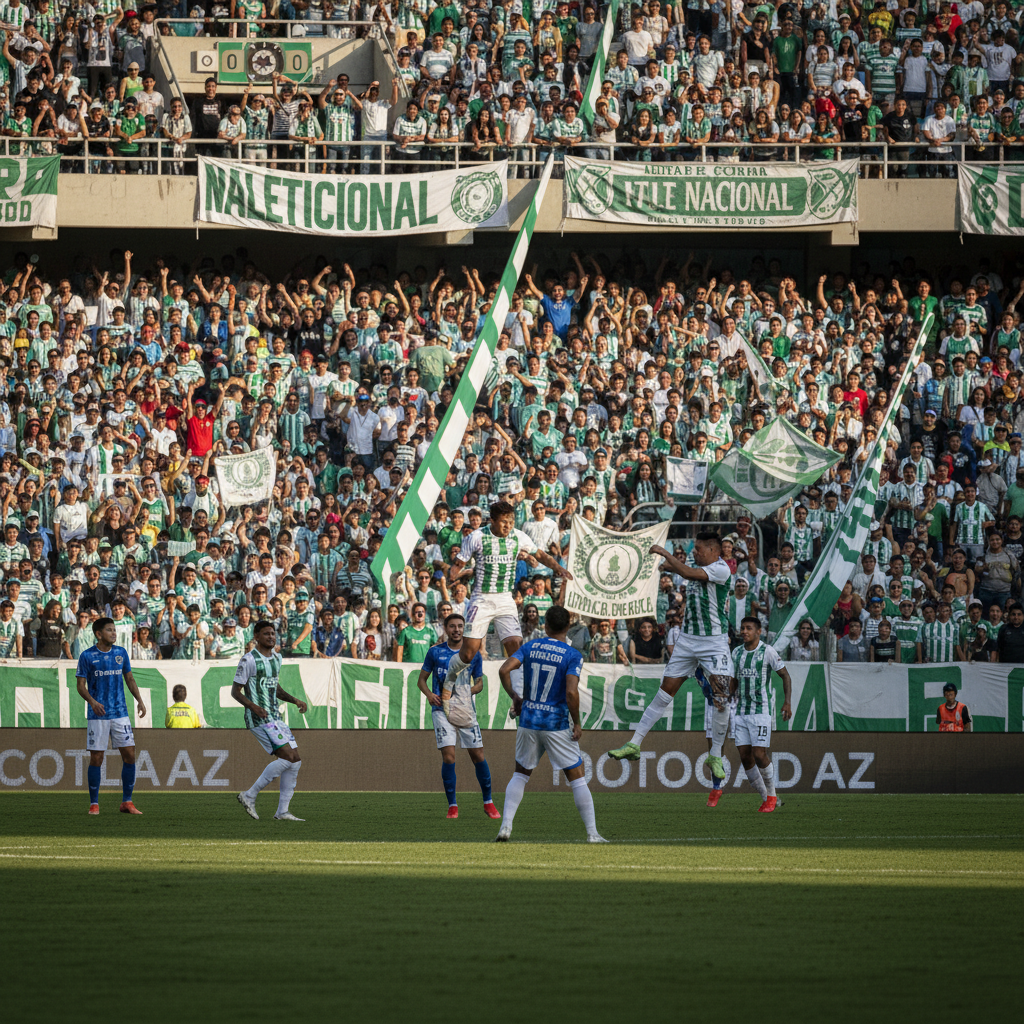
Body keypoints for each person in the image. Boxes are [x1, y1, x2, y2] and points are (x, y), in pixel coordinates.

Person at [608, 532, 733, 782]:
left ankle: (716, 755)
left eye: (698, 549)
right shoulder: (698, 568)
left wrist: (666, 554)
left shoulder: (721, 569)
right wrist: (665, 565)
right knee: (664, 693)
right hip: (687, 641)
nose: (694, 553)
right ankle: (634, 744)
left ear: (713, 551)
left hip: (713, 643)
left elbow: (687, 573)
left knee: (722, 698)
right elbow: (686, 573)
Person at [441, 500, 571, 714]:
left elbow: (540, 554)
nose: (508, 526)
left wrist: (557, 567)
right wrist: (453, 573)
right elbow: (459, 563)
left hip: (504, 599)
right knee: (468, 653)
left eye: (511, 521)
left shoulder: (518, 536)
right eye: (503, 522)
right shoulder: (476, 537)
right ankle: (448, 684)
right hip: (481, 598)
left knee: (516, 648)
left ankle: (518, 698)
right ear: (492, 520)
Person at [495, 605, 606, 843]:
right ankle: (592, 834)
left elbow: (504, 670)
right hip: (555, 724)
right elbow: (571, 693)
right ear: (568, 626)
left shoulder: (530, 646)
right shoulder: (572, 655)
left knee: (520, 774)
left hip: (528, 721)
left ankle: (505, 827)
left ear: (545, 625)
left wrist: (515, 696)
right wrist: (576, 723)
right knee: (576, 777)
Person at [416, 613, 499, 820]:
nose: (456, 630)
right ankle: (452, 805)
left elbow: (480, 683)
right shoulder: (435, 652)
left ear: (465, 629)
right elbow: (421, 681)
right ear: (445, 628)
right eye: (452, 626)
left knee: (478, 755)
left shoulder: (473, 653)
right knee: (449, 756)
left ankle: (488, 802)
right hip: (441, 711)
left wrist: (468, 691)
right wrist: (429, 695)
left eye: (460, 626)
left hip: (465, 710)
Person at [232, 620, 308, 822]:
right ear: (256, 636)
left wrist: (294, 700)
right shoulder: (248, 660)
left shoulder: (276, 658)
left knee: (295, 762)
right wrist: (253, 706)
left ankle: (282, 812)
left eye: (273, 633)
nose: (271, 637)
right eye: (266, 634)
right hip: (259, 718)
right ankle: (249, 795)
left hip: (276, 717)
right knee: (287, 757)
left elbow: (275, 687)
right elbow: (235, 692)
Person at [76, 616, 147, 815]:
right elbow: (80, 687)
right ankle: (94, 803)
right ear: (98, 634)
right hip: (98, 714)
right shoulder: (87, 656)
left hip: (120, 713)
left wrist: (139, 700)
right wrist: (92, 702)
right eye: (109, 630)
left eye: (114, 630)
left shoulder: (121, 653)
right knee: (97, 758)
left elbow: (130, 679)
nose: (114, 633)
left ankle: (127, 801)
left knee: (130, 754)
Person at [732, 618, 792, 813]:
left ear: (759, 632)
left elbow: (785, 675)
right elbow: (734, 681)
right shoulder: (736, 653)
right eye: (742, 628)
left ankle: (772, 796)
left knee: (759, 754)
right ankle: (767, 798)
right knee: (745, 757)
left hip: (760, 711)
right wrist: (726, 697)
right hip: (740, 712)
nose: (744, 631)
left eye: (749, 628)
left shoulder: (768, 651)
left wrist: (787, 702)